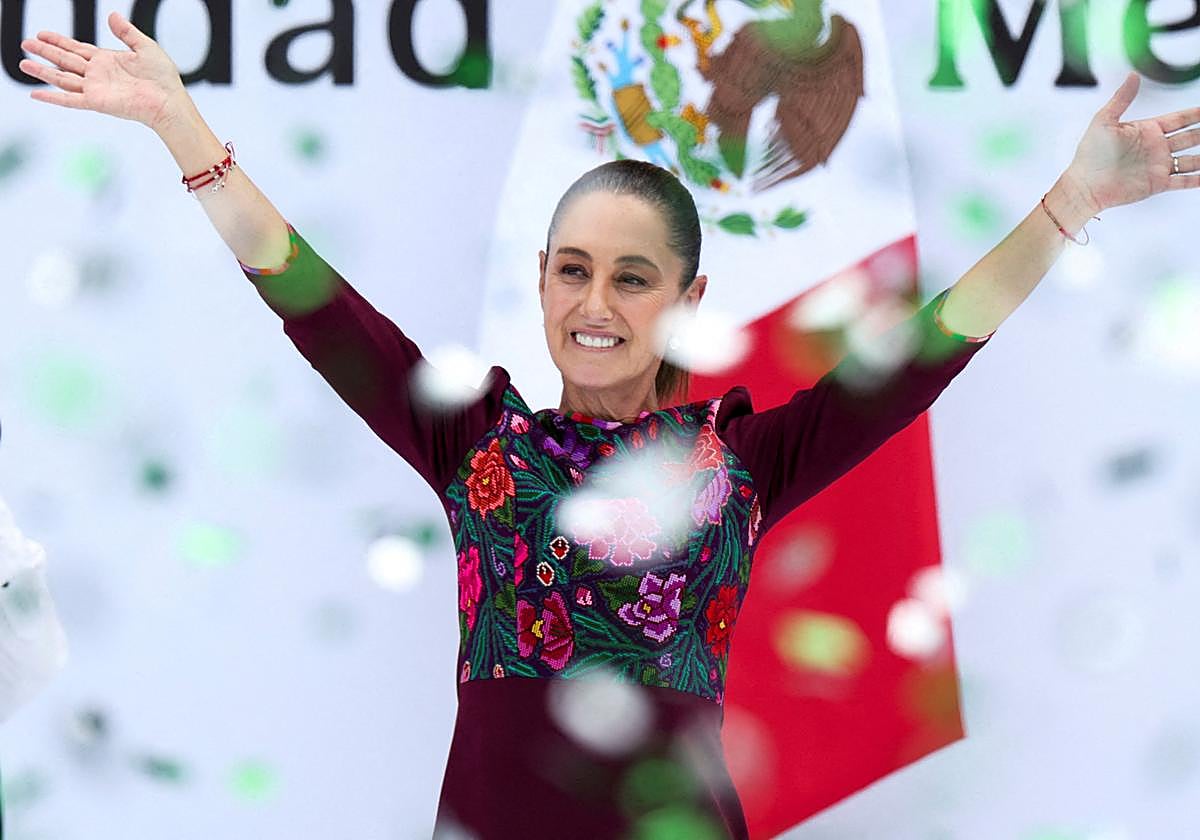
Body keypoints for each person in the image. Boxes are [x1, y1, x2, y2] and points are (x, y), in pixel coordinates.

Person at [18, 11, 1197, 839]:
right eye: (572, 271)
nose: (594, 305)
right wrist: (183, 129)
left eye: (633, 279)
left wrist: (1069, 201)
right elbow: (307, 293)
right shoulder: (475, 443)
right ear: (540, 281)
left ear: (687, 302)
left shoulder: (745, 462)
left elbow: (935, 345)